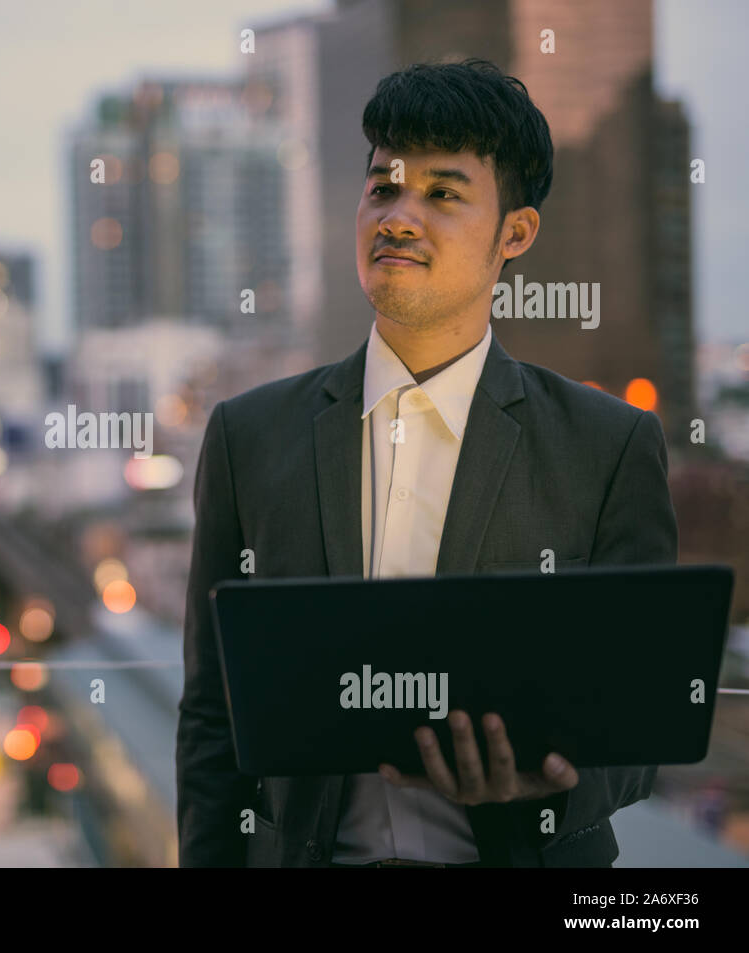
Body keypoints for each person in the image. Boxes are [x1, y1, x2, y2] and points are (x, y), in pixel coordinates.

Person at [175, 59, 677, 867]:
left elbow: (646, 712)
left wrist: (543, 780)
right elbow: (210, 715)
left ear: (515, 233)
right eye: (383, 188)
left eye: (442, 193)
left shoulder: (606, 444)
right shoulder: (249, 436)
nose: (399, 217)